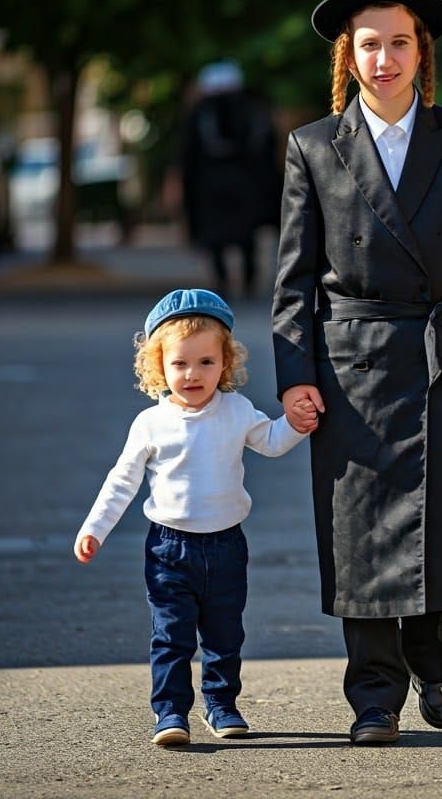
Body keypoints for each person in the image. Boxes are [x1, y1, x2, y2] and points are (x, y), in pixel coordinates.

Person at [273, 0, 442, 745]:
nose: (385, 59)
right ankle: (373, 699)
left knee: (441, 517)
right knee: (360, 533)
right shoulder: (313, 148)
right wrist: (295, 378)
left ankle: (431, 659)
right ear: (349, 55)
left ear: (421, 54)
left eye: (399, 44)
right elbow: (292, 282)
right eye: (369, 44)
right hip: (353, 366)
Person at [73, 288, 318, 747]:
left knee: (225, 635)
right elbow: (122, 481)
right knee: (172, 636)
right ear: (158, 367)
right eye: (180, 363)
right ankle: (170, 713)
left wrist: (296, 424)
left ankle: (222, 705)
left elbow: (270, 440)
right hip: (170, 549)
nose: (192, 374)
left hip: (226, 545)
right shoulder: (151, 423)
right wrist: (94, 529)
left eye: (206, 362)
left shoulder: (237, 410)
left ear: (225, 363)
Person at [177, 61, 282, 297]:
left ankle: (224, 280)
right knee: (246, 236)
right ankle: (247, 279)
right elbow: (268, 149)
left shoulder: (200, 113)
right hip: (247, 185)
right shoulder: (253, 111)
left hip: (211, 187)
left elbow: (187, 154)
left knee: (216, 236)